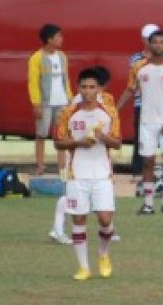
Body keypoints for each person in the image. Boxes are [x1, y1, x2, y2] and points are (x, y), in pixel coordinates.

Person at [53, 68, 121, 281]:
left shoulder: (108, 112)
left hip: (102, 174)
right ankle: (83, 267)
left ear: (99, 89)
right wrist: (79, 142)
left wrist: (103, 137)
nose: (88, 91)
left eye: (92, 87)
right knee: (79, 219)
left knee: (105, 218)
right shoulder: (69, 113)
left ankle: (103, 252)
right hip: (77, 175)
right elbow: (58, 141)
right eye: (84, 86)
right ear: (78, 88)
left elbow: (118, 142)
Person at [117, 30, 163, 215]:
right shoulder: (139, 67)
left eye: (162, 42)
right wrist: (114, 111)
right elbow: (130, 90)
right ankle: (148, 203)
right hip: (147, 122)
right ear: (149, 44)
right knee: (147, 161)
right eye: (154, 42)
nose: (158, 45)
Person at [126, 24, 163, 192]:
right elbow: (133, 84)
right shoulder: (136, 60)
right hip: (142, 104)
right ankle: (139, 172)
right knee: (141, 139)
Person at [28, 23, 71, 176]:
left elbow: (66, 80)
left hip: (62, 102)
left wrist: (69, 99)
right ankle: (40, 165)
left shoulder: (62, 56)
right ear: (49, 39)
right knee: (41, 134)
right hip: (45, 103)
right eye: (58, 36)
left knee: (61, 135)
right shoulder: (36, 58)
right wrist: (36, 103)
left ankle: (62, 166)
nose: (61, 39)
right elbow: (33, 82)